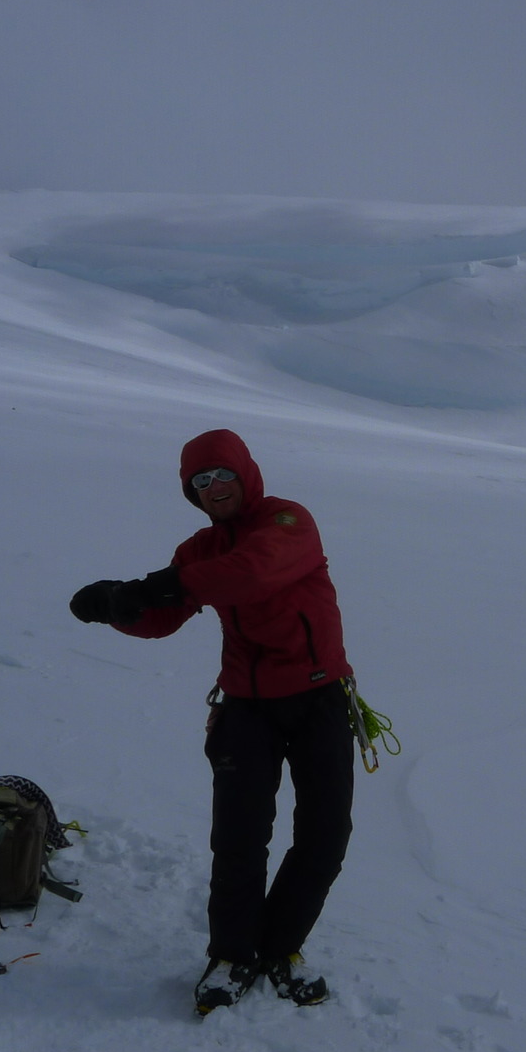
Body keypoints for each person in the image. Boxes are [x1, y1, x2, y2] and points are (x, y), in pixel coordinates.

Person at [69, 429, 355, 1016]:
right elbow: (165, 617)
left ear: (245, 475)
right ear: (190, 493)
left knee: (325, 839)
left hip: (320, 701)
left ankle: (279, 950)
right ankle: (231, 955)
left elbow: (252, 572)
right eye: (199, 481)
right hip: (246, 709)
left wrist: (159, 585)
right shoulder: (197, 551)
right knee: (239, 840)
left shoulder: (287, 523)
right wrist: (119, 608)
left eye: (221, 474)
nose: (213, 487)